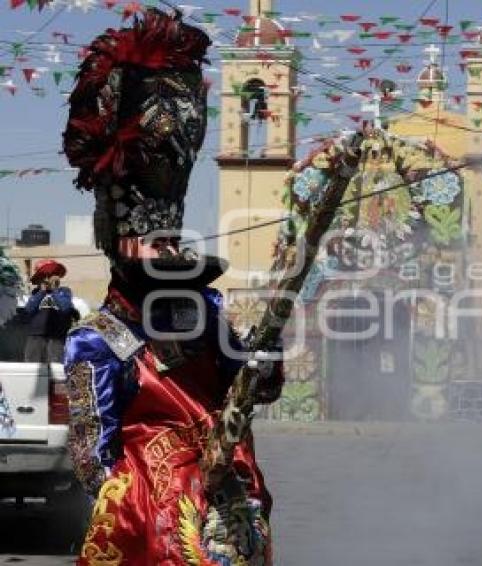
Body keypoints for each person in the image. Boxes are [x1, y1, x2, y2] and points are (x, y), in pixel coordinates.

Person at [61, 9, 284, 564]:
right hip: (151, 533)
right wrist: (147, 507)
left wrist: (264, 355)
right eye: (150, 241)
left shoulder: (206, 312)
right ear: (120, 244)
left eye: (169, 239)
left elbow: (255, 388)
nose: (167, 251)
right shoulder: (98, 339)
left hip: (231, 517)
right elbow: (94, 459)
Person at [23, 259, 78, 363]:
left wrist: (55, 290)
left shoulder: (64, 291)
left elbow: (65, 308)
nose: (48, 279)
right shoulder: (35, 293)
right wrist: (42, 291)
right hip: (35, 338)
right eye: (44, 276)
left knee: (55, 372)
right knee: (32, 371)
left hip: (56, 339)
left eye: (52, 275)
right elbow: (29, 309)